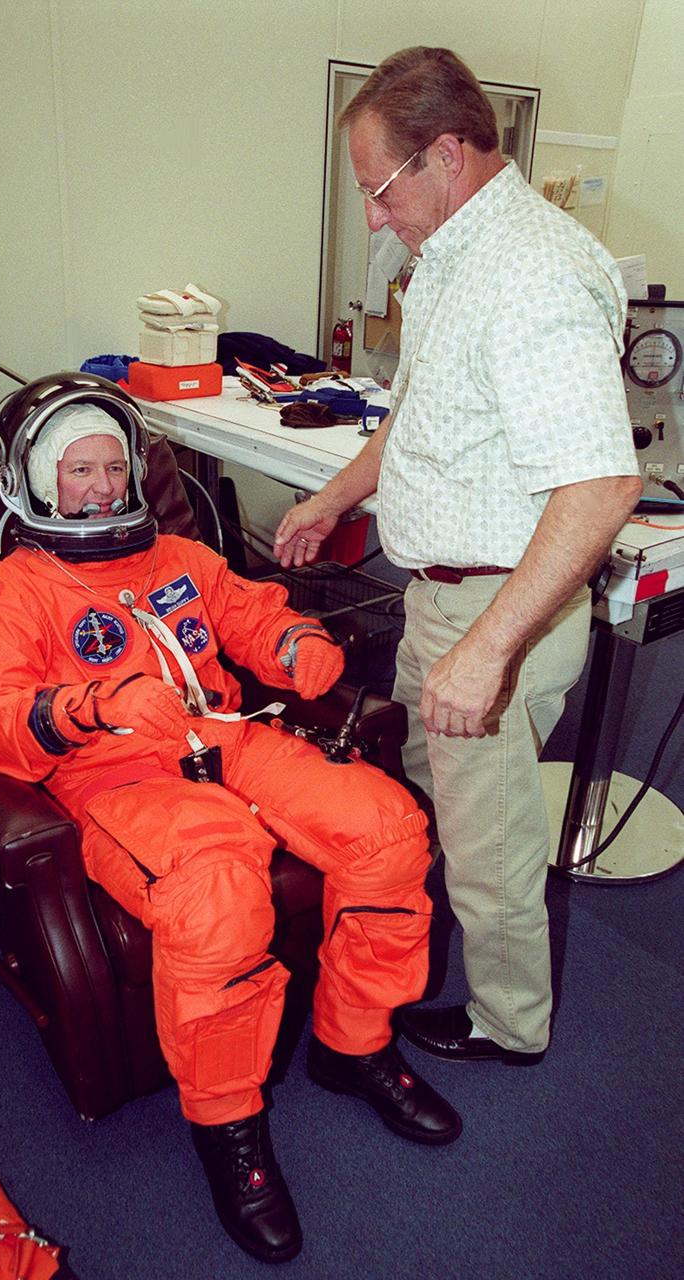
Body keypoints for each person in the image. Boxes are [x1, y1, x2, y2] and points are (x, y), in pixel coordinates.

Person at [0, 376, 461, 1266]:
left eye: (113, 466)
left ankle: (353, 1042)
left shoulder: (180, 558)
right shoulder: (9, 589)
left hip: (224, 738)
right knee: (219, 897)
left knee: (386, 827)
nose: (102, 487)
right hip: (114, 780)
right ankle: (229, 1126)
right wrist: (89, 705)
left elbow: (246, 611)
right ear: (34, 483)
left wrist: (293, 644)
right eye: (79, 471)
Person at [274, 47, 642, 1069]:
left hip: (495, 610)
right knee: (436, 785)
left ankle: (507, 1022)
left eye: (377, 190)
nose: (371, 217)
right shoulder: (451, 258)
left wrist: (483, 653)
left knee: (488, 842)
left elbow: (600, 487)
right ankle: (433, 941)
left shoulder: (531, 270)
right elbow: (415, 419)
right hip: (441, 597)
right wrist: (330, 497)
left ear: (443, 155)